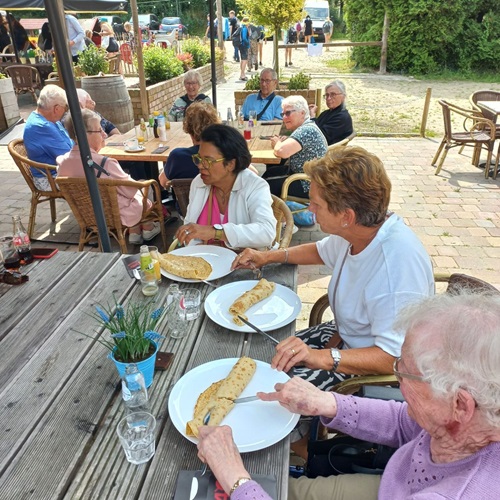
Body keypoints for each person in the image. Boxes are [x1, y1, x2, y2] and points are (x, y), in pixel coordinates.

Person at [197, 292, 500, 500]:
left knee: (266, 484)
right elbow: (406, 423)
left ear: (461, 405)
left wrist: (236, 478)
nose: (395, 375)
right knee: (281, 483)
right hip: (395, 483)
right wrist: (326, 403)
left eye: (403, 371)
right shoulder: (463, 422)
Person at [236, 145, 434, 390]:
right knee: (266, 354)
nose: (310, 210)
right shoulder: (359, 230)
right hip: (346, 338)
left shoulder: (395, 268)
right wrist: (267, 256)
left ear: (346, 216)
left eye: (317, 205)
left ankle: (306, 427)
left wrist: (322, 357)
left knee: (274, 391)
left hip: (375, 374)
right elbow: (319, 250)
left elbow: (393, 358)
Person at [58, 109, 161, 246]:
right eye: (99, 130)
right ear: (84, 135)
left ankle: (135, 233)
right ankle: (146, 228)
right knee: (145, 185)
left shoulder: (62, 163)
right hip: (117, 215)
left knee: (121, 191)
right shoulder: (104, 164)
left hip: (87, 216)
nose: (105, 134)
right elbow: (131, 190)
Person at [175, 124, 276, 250]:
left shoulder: (254, 186)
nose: (200, 166)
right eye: (199, 159)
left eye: (208, 160)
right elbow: (190, 229)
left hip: (245, 263)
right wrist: (198, 250)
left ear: (230, 164)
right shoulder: (199, 183)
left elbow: (267, 232)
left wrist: (216, 232)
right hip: (208, 262)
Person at [264, 95, 327, 198]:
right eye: (282, 114)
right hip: (303, 177)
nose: (284, 117)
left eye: (288, 113)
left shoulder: (306, 130)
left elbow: (282, 151)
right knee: (269, 173)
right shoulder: (306, 127)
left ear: (302, 113)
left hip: (308, 184)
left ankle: (271, 211)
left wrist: (277, 143)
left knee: (262, 187)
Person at [23, 85, 73, 191]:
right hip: (48, 178)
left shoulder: (46, 119)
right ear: (56, 108)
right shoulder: (42, 126)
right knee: (97, 181)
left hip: (58, 170)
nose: (65, 111)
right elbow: (69, 155)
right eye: (65, 108)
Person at [159, 101, 220, 187]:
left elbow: (163, 182)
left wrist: (165, 170)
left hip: (185, 200)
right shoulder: (222, 155)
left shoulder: (177, 156)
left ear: (188, 129)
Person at [309, 80, 354, 145]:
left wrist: (312, 116)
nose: (328, 98)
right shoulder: (327, 113)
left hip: (325, 153)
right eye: (327, 95)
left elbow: (319, 137)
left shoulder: (342, 117)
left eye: (333, 94)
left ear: (343, 97)